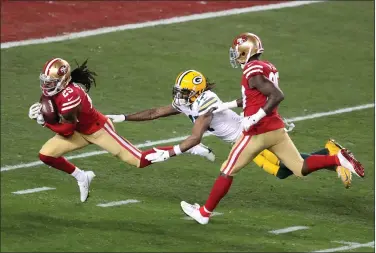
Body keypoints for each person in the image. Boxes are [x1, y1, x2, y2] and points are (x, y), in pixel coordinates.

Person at [173, 33, 364, 225]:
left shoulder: (251, 70)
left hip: (257, 131)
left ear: (245, 51)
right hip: (275, 128)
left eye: (238, 52)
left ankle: (204, 213)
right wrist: (227, 105)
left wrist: (253, 118)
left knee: (227, 170)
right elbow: (255, 98)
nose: (235, 56)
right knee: (298, 168)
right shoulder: (266, 66)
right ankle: (338, 158)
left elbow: (276, 95)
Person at [106, 70, 351, 187]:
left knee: (286, 169)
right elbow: (155, 112)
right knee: (285, 170)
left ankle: (334, 157)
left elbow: (194, 138)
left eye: (184, 92)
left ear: (196, 92)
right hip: (242, 140)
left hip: (249, 137)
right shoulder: (190, 102)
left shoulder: (204, 102)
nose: (179, 96)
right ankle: (332, 156)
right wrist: (122, 117)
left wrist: (169, 153)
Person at [28, 58, 166, 203]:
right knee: (46, 155)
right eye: (45, 81)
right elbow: (58, 118)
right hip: (79, 130)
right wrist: (43, 114)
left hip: (98, 130)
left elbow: (67, 131)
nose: (46, 85)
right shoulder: (53, 91)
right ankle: (82, 176)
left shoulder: (71, 95)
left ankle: (179, 149)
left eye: (50, 82)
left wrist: (45, 123)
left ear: (63, 80)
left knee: (140, 160)